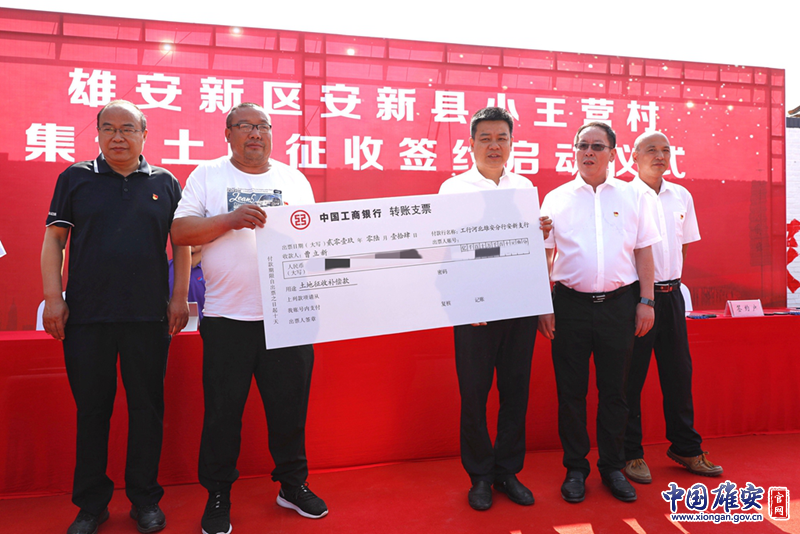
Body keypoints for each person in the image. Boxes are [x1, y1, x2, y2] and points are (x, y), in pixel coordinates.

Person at [171, 102, 326, 534]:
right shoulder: (208, 175)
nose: (255, 133)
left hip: (287, 316)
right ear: (228, 133)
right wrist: (230, 220)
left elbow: (314, 238)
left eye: (263, 126)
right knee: (223, 415)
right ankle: (218, 494)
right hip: (227, 318)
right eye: (245, 126)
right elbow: (180, 233)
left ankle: (292, 485)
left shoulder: (293, 179)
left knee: (289, 411)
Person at [40, 99, 189, 534]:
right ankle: (91, 505)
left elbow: (181, 243)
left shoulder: (165, 182)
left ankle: (145, 500)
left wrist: (179, 297)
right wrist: (53, 297)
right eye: (108, 128)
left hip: (148, 316)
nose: (118, 137)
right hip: (88, 316)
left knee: (147, 409)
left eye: (127, 128)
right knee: (92, 411)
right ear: (98, 133)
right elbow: (54, 241)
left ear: (144, 134)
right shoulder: (75, 178)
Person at [538, 122, 660, 503]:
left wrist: (646, 301)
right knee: (570, 392)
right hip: (569, 306)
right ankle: (576, 468)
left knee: (615, 392)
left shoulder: (632, 195)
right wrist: (543, 304)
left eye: (597, 146)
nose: (588, 152)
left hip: (619, 305)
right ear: (574, 151)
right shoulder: (555, 198)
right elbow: (544, 255)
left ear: (613, 153)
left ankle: (612, 467)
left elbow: (643, 250)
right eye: (582, 145)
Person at [438, 107, 551, 511]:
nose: (494, 145)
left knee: (515, 391)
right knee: (474, 394)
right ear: (471, 144)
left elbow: (531, 250)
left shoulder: (523, 186)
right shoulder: (453, 189)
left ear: (511, 143)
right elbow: (444, 251)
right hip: (475, 311)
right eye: (485, 138)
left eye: (501, 138)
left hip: (519, 305)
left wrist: (539, 233)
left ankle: (508, 470)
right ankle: (480, 476)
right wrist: (463, 302)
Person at [623, 131, 723, 484]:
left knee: (679, 374)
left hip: (672, 295)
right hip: (635, 298)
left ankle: (685, 447)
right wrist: (643, 296)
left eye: (665, 150)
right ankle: (630, 452)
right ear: (633, 156)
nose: (660, 155)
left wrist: (671, 283)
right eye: (651, 149)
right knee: (630, 378)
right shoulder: (623, 196)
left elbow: (683, 247)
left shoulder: (681, 195)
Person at [169, 245, 205, 323]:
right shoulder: (167, 268)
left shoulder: (214, 270)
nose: (192, 240)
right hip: (171, 328)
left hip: (207, 328)